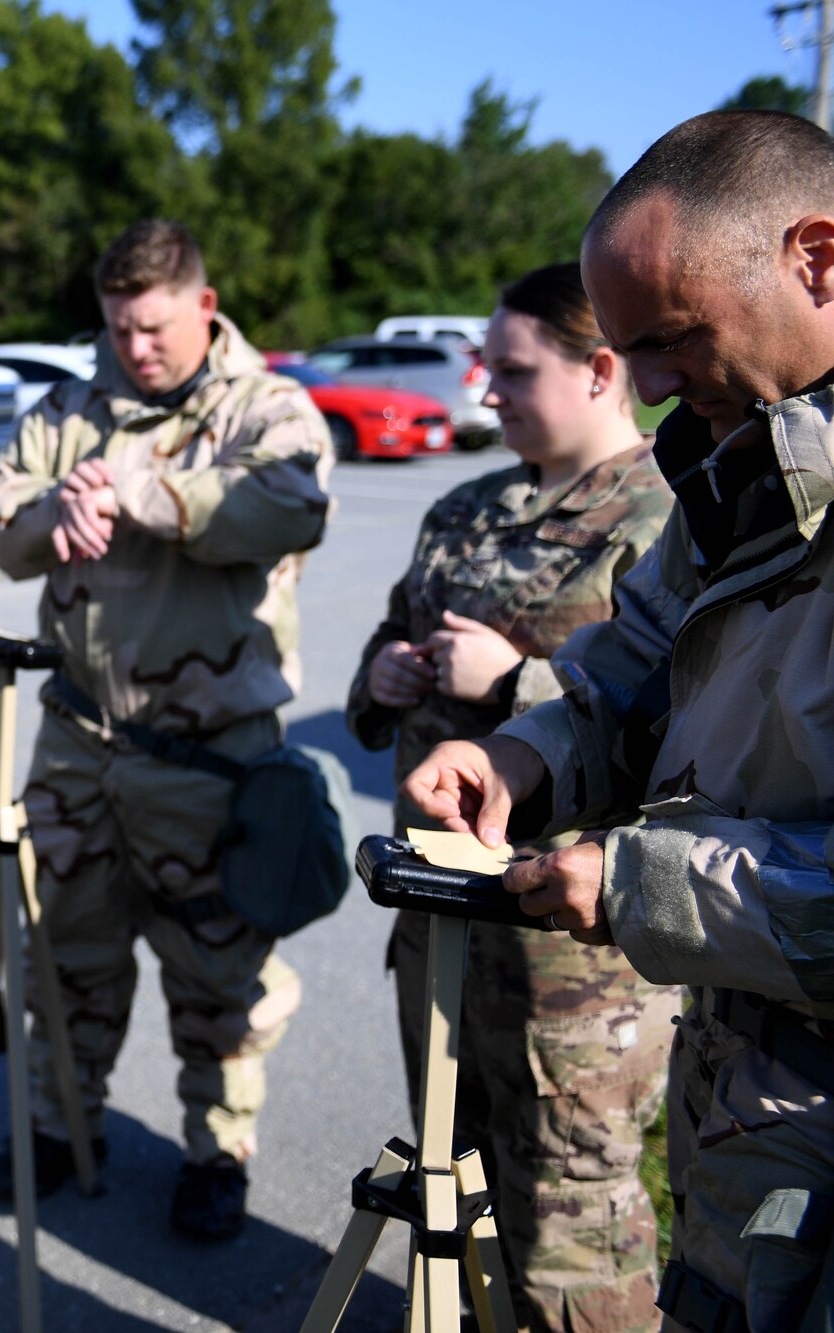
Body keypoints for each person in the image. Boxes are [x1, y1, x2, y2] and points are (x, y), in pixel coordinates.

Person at [406, 109, 834, 1331]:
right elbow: (633, 668)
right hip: (748, 1144)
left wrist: (639, 881)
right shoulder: (739, 466)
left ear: (815, 258)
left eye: (670, 339)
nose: (641, 386)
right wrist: (518, 760)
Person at [0, 219, 333, 1239]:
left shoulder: (267, 406)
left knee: (216, 973)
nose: (136, 350)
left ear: (203, 309)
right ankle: (57, 1124)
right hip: (78, 743)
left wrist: (133, 493)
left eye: (155, 328)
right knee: (63, 953)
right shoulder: (70, 406)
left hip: (208, 756)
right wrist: (53, 516)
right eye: (119, 330)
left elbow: (287, 505)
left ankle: (216, 1152)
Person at [349, 262, 676, 1329]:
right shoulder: (460, 507)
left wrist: (512, 681)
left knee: (568, 1232)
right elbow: (383, 642)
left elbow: (680, 720)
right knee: (448, 1188)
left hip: (569, 965)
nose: (483, 391)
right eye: (482, 368)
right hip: (439, 932)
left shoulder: (670, 516)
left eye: (509, 370)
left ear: (596, 371)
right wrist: (383, 675)